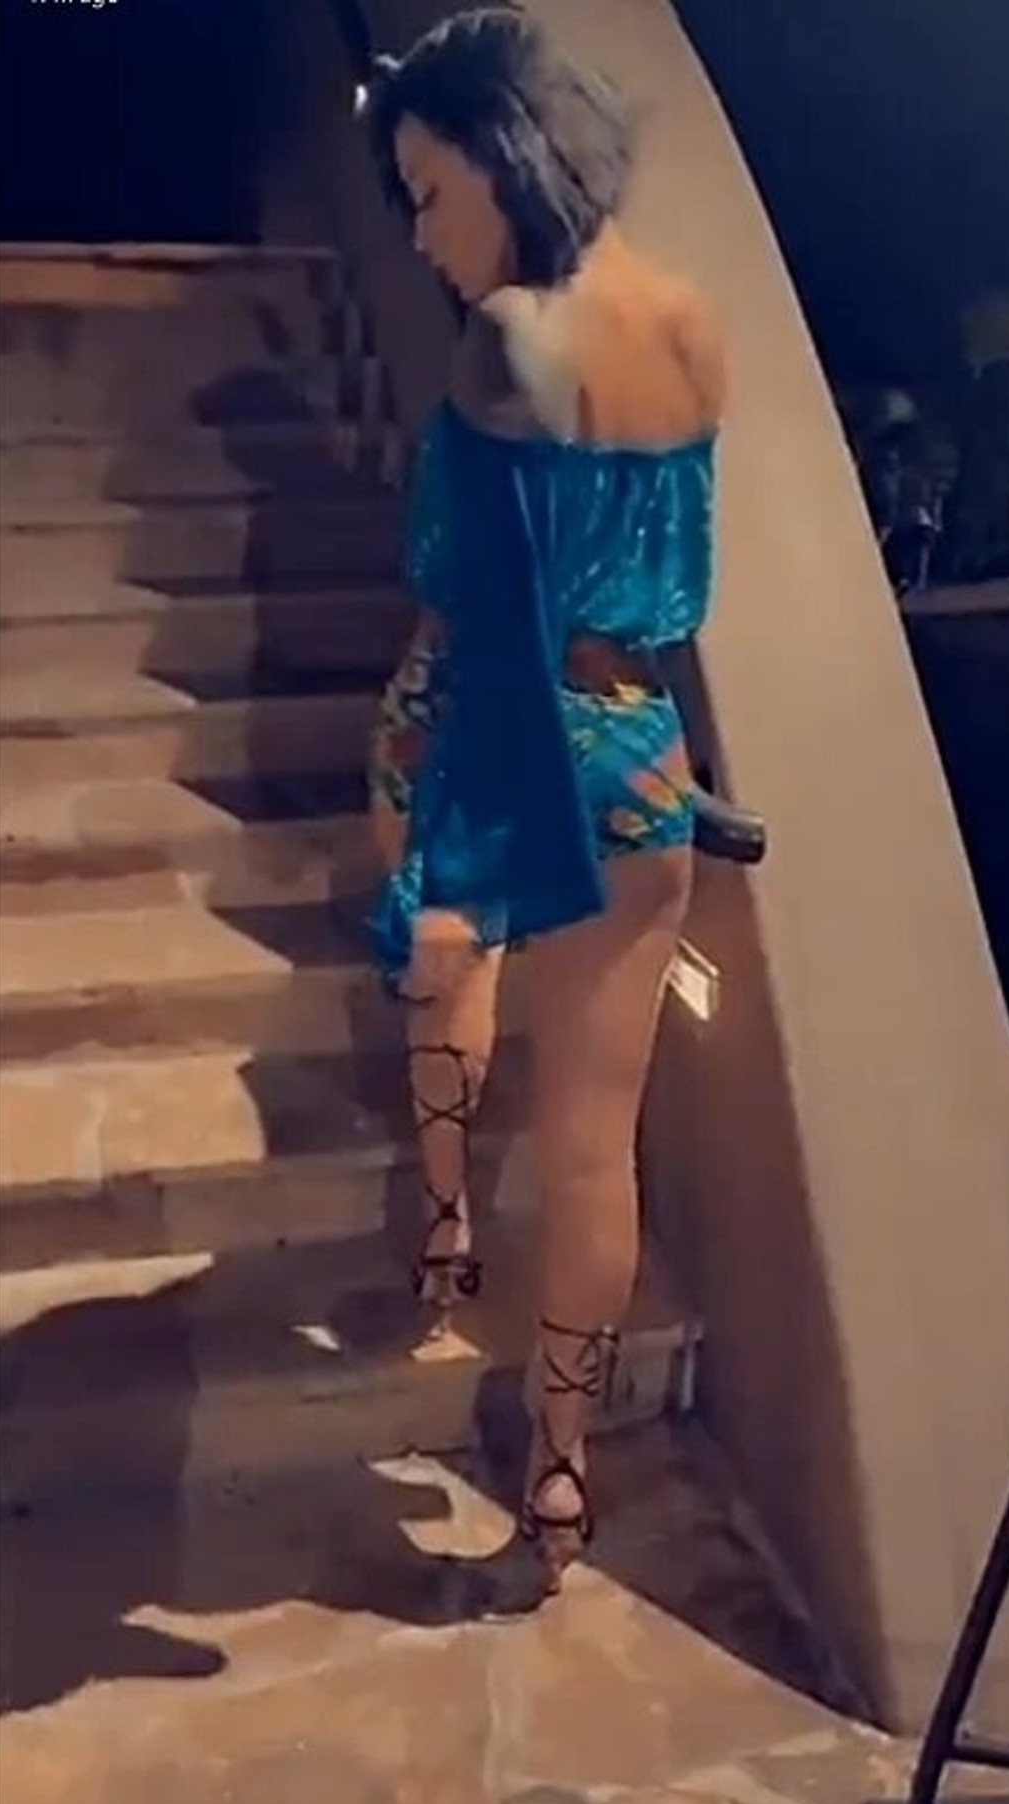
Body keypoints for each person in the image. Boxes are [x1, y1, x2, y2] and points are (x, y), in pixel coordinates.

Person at [365, 7, 725, 1616]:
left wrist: (447, 860)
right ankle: (562, 1469)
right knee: (594, 1147)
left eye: (430, 193)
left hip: (498, 732)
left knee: (449, 970)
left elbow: (489, 633)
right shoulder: (691, 322)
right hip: (644, 751)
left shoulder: (511, 336)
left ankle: (445, 1215)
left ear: (504, 156)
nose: (423, 236)